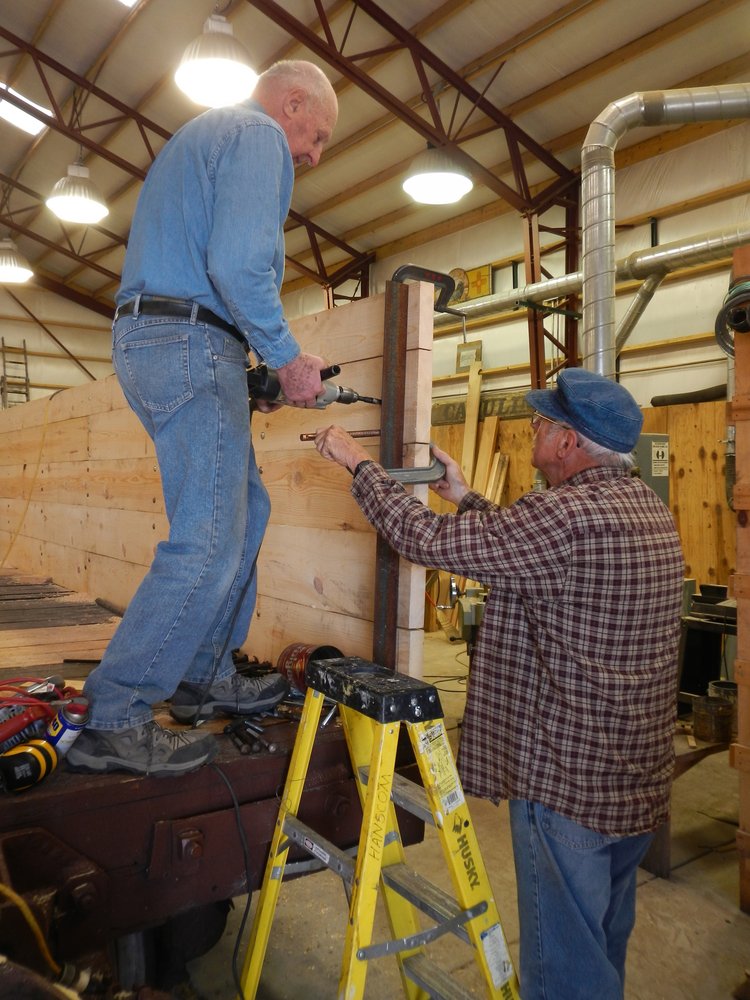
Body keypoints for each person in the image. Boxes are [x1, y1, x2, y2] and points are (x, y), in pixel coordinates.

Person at [313, 367, 684, 1000]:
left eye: (542, 422)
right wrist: (464, 496)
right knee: (600, 948)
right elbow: (533, 556)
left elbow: (419, 537)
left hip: (567, 789)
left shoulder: (563, 516)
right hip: (634, 781)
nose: (532, 429)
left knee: (565, 974)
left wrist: (356, 464)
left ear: (569, 443)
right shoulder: (647, 508)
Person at [67, 60, 339, 777]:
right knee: (210, 539)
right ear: (292, 102)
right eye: (316, 136)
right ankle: (116, 712)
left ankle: (202, 673)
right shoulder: (257, 137)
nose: (312, 156)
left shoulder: (206, 138)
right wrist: (286, 359)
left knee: (244, 511)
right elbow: (240, 265)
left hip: (169, 339)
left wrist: (253, 373)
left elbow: (205, 267)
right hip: (187, 342)